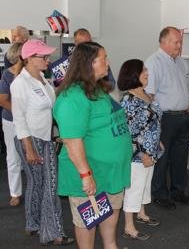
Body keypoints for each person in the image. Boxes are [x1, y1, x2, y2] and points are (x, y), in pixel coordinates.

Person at [53, 41, 132, 249]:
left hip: (111, 172)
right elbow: (72, 141)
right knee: (88, 223)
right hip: (91, 174)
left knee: (110, 217)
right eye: (103, 58)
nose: (108, 62)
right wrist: (85, 175)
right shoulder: (73, 97)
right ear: (89, 63)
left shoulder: (97, 89)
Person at [10, 39, 74, 246]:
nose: (48, 59)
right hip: (30, 140)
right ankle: (53, 232)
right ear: (29, 59)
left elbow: (49, 110)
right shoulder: (20, 83)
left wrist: (55, 133)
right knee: (50, 184)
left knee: (38, 183)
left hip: (44, 139)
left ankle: (34, 223)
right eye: (43, 56)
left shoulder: (43, 80)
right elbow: (19, 119)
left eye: (47, 56)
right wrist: (29, 148)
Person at [145, 26, 189, 209]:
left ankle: (178, 191)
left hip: (183, 117)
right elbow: (149, 95)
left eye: (180, 42)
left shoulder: (181, 62)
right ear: (163, 42)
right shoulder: (153, 62)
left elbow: (188, 86)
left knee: (180, 157)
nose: (179, 46)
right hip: (165, 118)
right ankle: (159, 194)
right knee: (162, 157)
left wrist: (187, 105)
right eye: (176, 42)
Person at [118, 59, 163, 241]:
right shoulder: (128, 99)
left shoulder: (144, 94)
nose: (147, 73)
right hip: (138, 154)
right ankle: (129, 227)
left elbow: (152, 122)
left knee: (145, 184)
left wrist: (158, 142)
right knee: (135, 188)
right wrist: (142, 152)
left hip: (151, 150)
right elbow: (127, 133)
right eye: (143, 70)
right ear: (133, 74)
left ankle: (141, 214)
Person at [0, 43, 24, 207]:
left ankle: (37, 191)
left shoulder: (34, 74)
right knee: (13, 157)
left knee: (33, 157)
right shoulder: (7, 75)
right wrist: (20, 114)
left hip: (30, 121)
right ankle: (15, 192)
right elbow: (3, 100)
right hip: (11, 121)